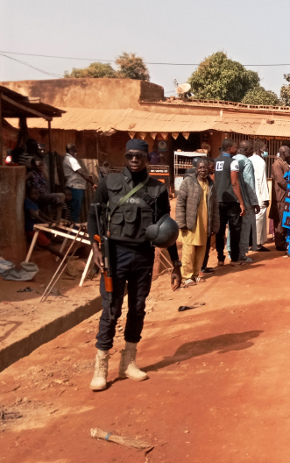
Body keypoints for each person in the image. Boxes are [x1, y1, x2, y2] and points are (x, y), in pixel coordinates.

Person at [87, 138, 182, 392]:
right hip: (114, 255)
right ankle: (101, 366)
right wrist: (95, 248)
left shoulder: (157, 189)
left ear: (146, 158)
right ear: (125, 156)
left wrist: (175, 264)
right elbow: (93, 216)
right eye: (130, 156)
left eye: (139, 156)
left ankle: (128, 362)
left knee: (137, 309)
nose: (134, 160)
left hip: (143, 256)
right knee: (111, 309)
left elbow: (167, 229)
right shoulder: (109, 183)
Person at [176, 157, 218, 286]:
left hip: (205, 224)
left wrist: (215, 226)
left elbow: (215, 207)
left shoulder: (211, 184)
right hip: (190, 223)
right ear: (196, 169)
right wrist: (181, 223)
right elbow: (180, 203)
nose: (203, 170)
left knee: (201, 250)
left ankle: (195, 274)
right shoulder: (188, 182)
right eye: (200, 168)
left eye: (205, 168)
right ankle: (186, 276)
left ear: (208, 170)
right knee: (189, 251)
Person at [214, 139, 245, 266]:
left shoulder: (214, 161)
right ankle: (234, 258)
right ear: (229, 148)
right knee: (235, 229)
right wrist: (241, 202)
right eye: (235, 147)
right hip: (231, 201)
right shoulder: (233, 162)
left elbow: (213, 181)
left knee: (219, 231)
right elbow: (234, 183)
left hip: (217, 200)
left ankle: (220, 258)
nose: (236, 149)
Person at [231, 140, 260, 263]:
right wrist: (255, 202)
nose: (252, 151)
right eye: (251, 149)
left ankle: (231, 252)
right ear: (246, 149)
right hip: (245, 200)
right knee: (245, 228)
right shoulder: (247, 162)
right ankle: (242, 254)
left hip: (233, 199)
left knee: (233, 227)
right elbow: (249, 183)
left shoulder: (232, 160)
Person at [24, 185, 63, 258]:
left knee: (49, 240)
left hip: (37, 226)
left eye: (37, 193)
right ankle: (63, 257)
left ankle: (61, 255)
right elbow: (33, 214)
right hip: (31, 228)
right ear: (28, 194)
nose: (36, 195)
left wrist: (52, 221)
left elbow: (41, 213)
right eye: (34, 193)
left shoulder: (35, 203)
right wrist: (45, 221)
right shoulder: (28, 201)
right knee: (48, 244)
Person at [63, 144, 96, 224]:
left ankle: (72, 227)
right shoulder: (71, 159)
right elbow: (80, 172)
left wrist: (87, 176)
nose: (76, 152)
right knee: (75, 211)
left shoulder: (68, 159)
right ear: (71, 151)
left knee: (73, 210)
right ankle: (73, 229)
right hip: (75, 187)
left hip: (74, 186)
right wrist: (93, 183)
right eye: (75, 150)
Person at [249, 140, 271, 251]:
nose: (266, 150)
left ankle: (253, 241)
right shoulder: (260, 162)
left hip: (250, 194)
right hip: (259, 194)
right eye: (265, 148)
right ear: (259, 149)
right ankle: (257, 243)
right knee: (259, 219)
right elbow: (262, 180)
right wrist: (266, 198)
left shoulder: (249, 159)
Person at [270, 145, 290, 251]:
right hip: (281, 197)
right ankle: (280, 243)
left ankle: (283, 241)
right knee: (281, 220)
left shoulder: (284, 163)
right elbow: (281, 180)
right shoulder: (277, 164)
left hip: (285, 196)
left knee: (284, 219)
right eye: (289, 152)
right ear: (283, 153)